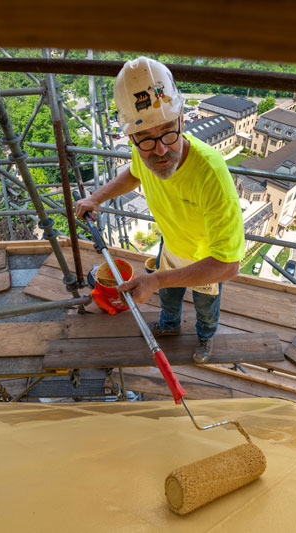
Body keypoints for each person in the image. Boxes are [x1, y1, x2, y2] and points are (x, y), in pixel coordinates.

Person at [74, 56, 244, 363]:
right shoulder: (144, 150)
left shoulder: (211, 175)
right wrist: (96, 197)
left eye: (169, 131)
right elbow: (136, 172)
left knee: (206, 308)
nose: (161, 150)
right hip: (171, 245)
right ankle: (169, 326)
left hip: (207, 260)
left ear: (182, 120)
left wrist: (157, 279)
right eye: (146, 140)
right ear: (131, 137)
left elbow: (228, 265)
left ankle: (205, 339)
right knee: (167, 297)